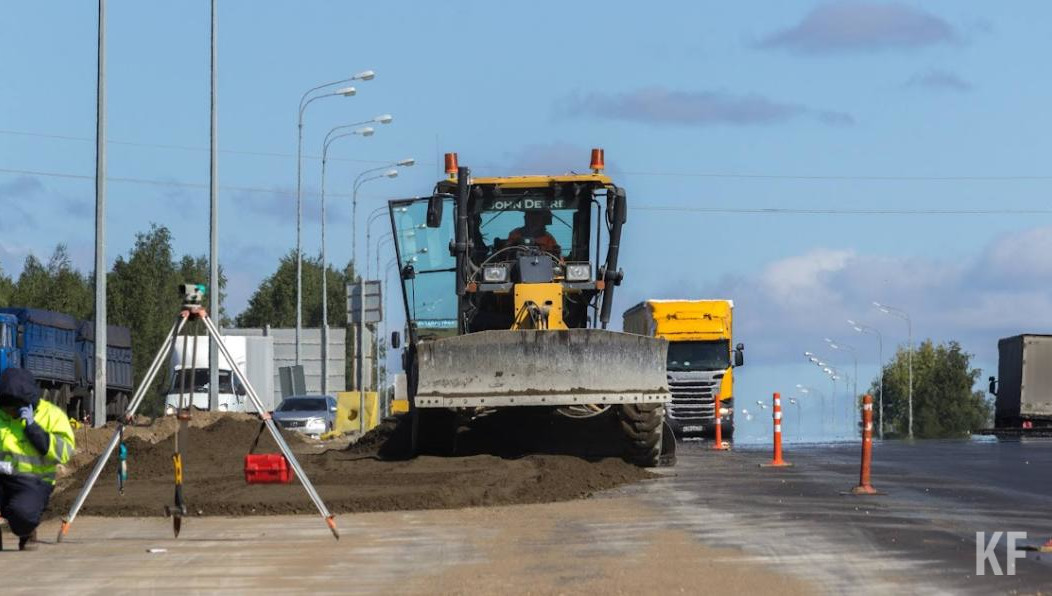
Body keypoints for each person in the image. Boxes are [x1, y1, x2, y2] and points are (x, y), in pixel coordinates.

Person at [0, 368, 75, 551]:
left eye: (13, 408)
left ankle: (27, 531)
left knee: (22, 515)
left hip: (33, 481)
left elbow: (64, 453)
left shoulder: (51, 415)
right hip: (2, 477)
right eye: (6, 407)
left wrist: (33, 428)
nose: (9, 412)